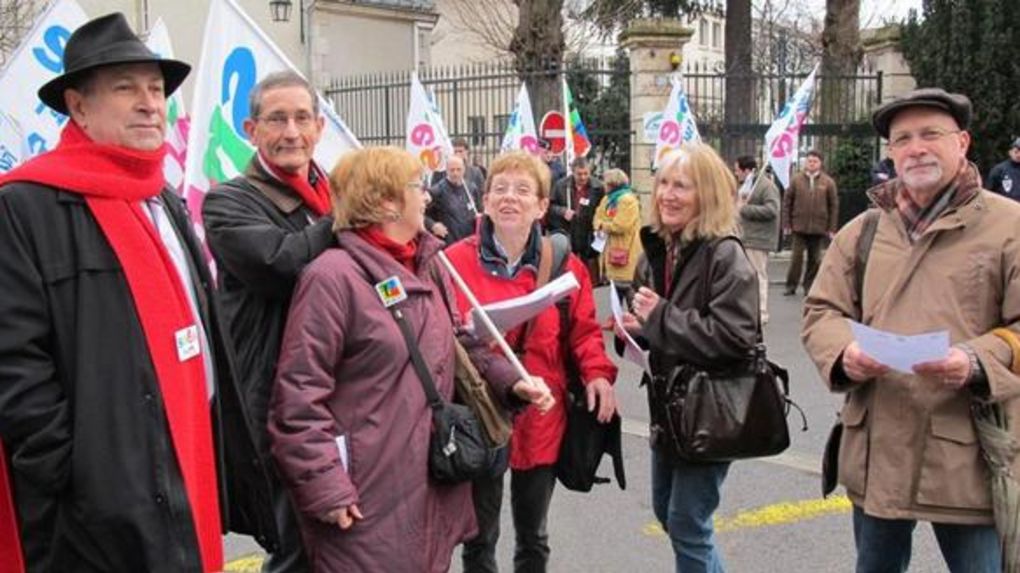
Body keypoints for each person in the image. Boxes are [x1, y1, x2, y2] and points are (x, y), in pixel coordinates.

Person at [0, 13, 274, 572]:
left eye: (155, 89)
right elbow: (15, 365)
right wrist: (72, 473)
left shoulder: (162, 198)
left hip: (185, 463)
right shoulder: (24, 205)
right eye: (127, 88)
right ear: (78, 107)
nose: (150, 104)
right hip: (95, 505)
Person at [268, 146, 554, 572]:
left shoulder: (426, 263)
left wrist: (512, 381)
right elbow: (297, 399)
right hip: (365, 491)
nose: (427, 196)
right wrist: (326, 487)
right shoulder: (331, 277)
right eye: (417, 186)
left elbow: (459, 342)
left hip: (426, 480)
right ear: (386, 202)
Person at [802, 88, 1020, 572]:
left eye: (930, 135)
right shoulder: (863, 231)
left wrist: (975, 360)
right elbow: (821, 311)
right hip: (879, 448)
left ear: (962, 142)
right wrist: (845, 353)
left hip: (968, 451)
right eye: (902, 139)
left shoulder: (1010, 226)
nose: (916, 148)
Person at [445, 151, 618, 573]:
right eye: (500, 189)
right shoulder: (453, 263)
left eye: (523, 190)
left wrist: (597, 374)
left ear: (541, 206)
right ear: (485, 201)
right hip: (480, 412)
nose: (510, 197)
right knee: (479, 539)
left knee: (534, 537)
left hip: (542, 412)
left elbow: (584, 331)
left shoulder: (563, 265)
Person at [203, 70, 336, 572]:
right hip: (278, 401)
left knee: (343, 539)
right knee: (295, 546)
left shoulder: (333, 192)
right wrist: (350, 213)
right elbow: (282, 264)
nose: (291, 132)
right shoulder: (228, 202)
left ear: (320, 127)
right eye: (277, 119)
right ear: (251, 129)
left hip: (339, 391)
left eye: (302, 118)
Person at [616, 143, 758, 573]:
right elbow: (655, 328)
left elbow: (736, 338)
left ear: (707, 194)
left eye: (681, 186)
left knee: (687, 524)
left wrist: (660, 316)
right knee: (670, 515)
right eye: (663, 184)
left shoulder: (725, 255)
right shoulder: (657, 248)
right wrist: (634, 330)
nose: (667, 195)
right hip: (669, 408)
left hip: (709, 409)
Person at [782, 149, 838, 296]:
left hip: (819, 227)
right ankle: (791, 285)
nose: (812, 164)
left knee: (815, 260)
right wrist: (787, 223)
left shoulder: (828, 182)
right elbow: (787, 202)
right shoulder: (796, 180)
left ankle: (809, 286)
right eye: (809, 161)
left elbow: (833, 205)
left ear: (820, 163)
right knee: (796, 259)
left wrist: (832, 228)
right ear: (805, 162)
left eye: (815, 161)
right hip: (799, 226)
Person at [735, 156, 781, 324]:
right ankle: (747, 309)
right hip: (746, 237)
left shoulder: (766, 186)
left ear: (747, 170)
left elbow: (772, 210)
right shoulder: (747, 186)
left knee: (758, 275)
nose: (736, 173)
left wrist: (745, 209)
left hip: (758, 239)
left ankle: (761, 312)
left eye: (737, 170)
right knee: (745, 276)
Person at [548, 156, 606, 282]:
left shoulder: (598, 187)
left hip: (589, 230)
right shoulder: (561, 185)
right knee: (569, 264)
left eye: (586, 173)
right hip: (569, 229)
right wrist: (562, 211)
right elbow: (550, 206)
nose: (583, 177)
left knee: (590, 266)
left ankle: (591, 286)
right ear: (573, 172)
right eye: (579, 174)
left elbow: (603, 208)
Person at [592, 168, 642, 303]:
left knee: (631, 298)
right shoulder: (607, 199)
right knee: (615, 301)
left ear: (613, 183)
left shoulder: (628, 200)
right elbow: (596, 217)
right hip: (609, 250)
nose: (603, 185)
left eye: (605, 182)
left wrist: (602, 225)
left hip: (625, 251)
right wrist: (601, 224)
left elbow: (620, 225)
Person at [426, 154, 482, 244]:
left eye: (458, 169)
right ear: (446, 171)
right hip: (449, 243)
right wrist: (433, 225)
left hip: (469, 242)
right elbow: (421, 214)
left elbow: (479, 211)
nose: (455, 173)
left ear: (464, 170)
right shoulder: (437, 190)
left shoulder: (471, 188)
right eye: (452, 170)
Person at [987, 136, 1020, 201]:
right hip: (1004, 205)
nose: (1019, 155)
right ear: (1010, 152)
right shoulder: (999, 170)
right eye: (1016, 152)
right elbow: (989, 193)